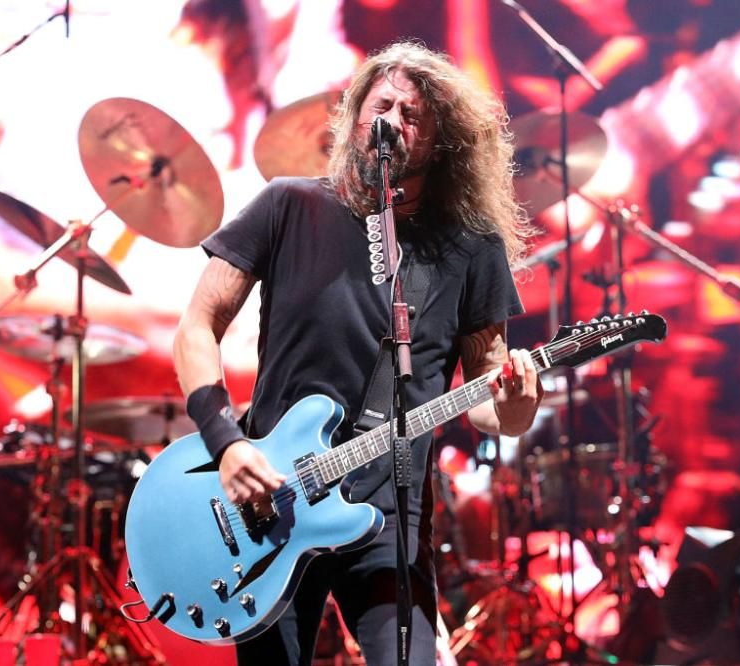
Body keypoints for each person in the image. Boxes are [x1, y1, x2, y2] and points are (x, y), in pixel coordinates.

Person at [173, 40, 543, 665]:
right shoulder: (288, 205)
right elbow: (196, 328)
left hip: (390, 516)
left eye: (412, 115)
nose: (391, 122)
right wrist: (227, 443)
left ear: (442, 142)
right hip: (272, 502)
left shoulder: (470, 247)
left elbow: (488, 394)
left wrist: (516, 406)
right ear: (354, 115)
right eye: (382, 106)